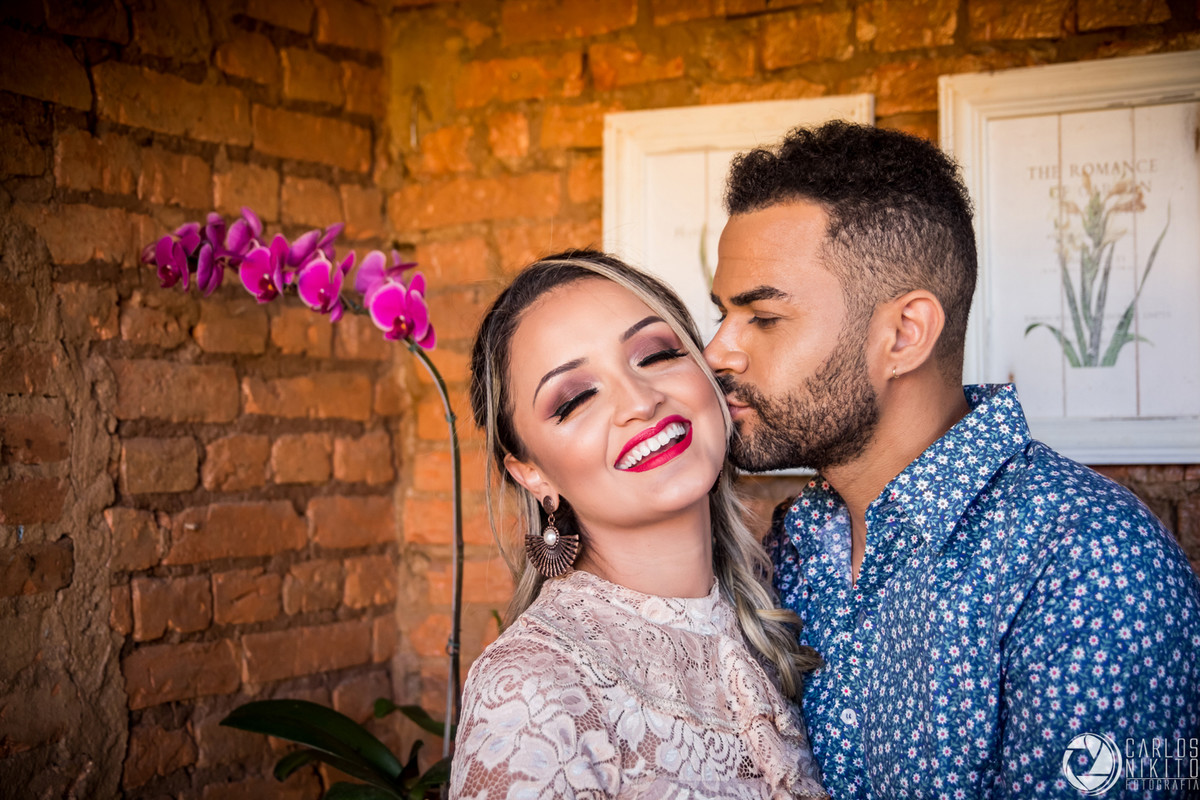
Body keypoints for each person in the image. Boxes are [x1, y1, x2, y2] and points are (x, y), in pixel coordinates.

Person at [704, 120, 1200, 798]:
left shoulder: (1089, 564)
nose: (718, 353)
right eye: (722, 314)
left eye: (761, 317)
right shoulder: (795, 541)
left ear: (905, 335)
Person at [450, 250, 828, 799]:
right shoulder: (530, 690)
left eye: (655, 355)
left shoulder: (801, 587)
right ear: (531, 474)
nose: (639, 401)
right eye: (575, 398)